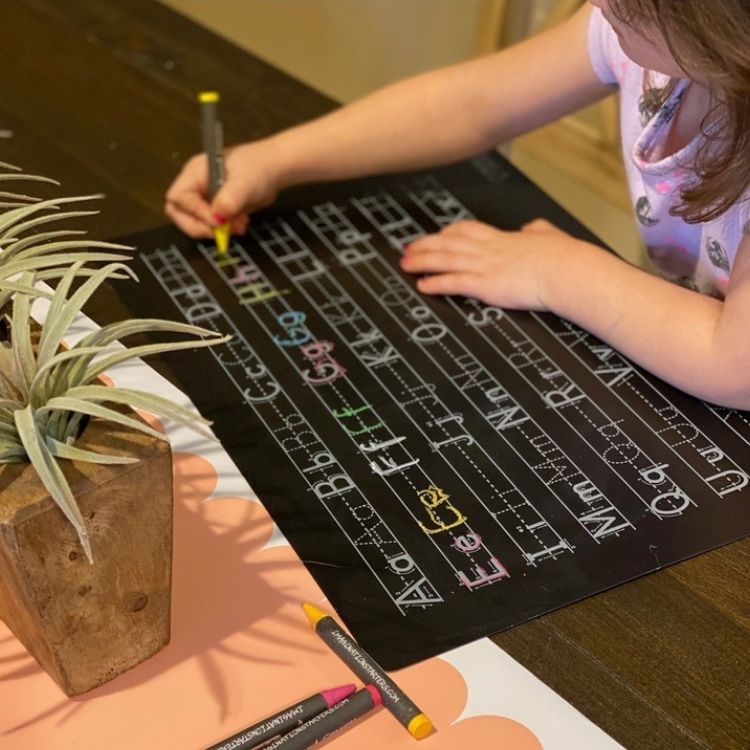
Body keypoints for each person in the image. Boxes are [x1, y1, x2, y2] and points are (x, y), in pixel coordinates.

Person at [165, 1, 750, 410]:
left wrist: (557, 270)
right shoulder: (641, 32)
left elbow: (733, 367)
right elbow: (472, 105)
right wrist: (275, 160)